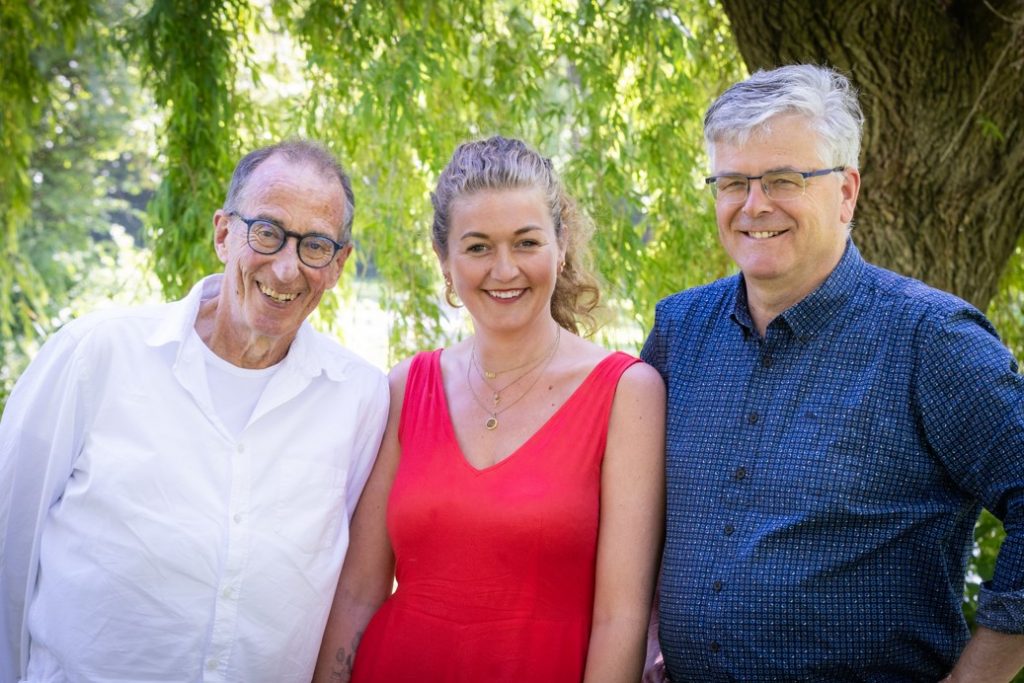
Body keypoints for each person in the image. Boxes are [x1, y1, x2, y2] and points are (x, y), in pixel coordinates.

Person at [641, 64, 1024, 681]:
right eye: (732, 182)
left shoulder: (931, 340)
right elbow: (635, 516)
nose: (754, 205)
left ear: (846, 191)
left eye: (784, 180)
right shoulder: (679, 330)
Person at [0, 140, 389, 682]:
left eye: (316, 246)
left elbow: (352, 588)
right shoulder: (95, 355)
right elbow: (9, 541)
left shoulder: (359, 398)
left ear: (339, 264)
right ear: (224, 234)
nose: (286, 269)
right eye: (268, 232)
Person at [313, 135, 665, 682]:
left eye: (526, 243)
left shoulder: (626, 393)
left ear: (561, 245)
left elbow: (621, 618)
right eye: (478, 247)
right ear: (445, 261)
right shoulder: (408, 386)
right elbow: (359, 592)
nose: (504, 270)